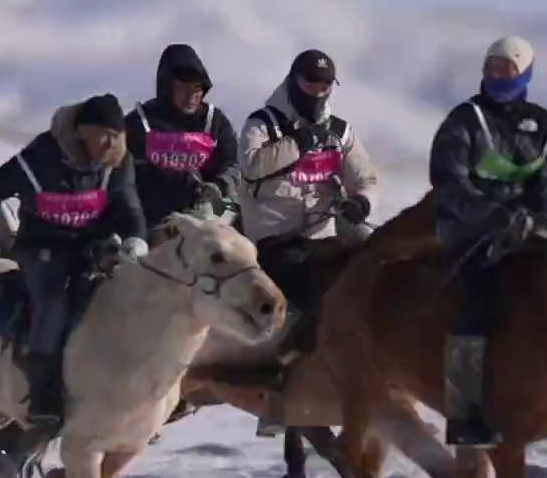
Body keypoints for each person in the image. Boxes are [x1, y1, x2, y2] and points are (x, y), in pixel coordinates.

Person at [0, 95, 147, 432]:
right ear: (82, 132)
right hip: (42, 248)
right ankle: (42, 392)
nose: (111, 144)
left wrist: (136, 238)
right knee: (53, 302)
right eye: (103, 135)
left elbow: (129, 207)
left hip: (93, 248)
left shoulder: (118, 163)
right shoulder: (42, 156)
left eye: (116, 135)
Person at [428, 35, 547, 447]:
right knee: (472, 306)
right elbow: (449, 182)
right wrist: (494, 217)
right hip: (469, 235)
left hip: (527, 238)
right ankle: (464, 411)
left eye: (506, 68)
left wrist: (542, 224)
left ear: (524, 72)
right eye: (491, 67)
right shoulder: (464, 120)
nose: (497, 74)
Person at [237, 48, 379, 435]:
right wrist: (300, 142)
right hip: (276, 241)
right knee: (312, 301)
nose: (317, 91)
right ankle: (280, 394)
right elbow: (250, 166)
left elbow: (364, 177)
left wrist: (360, 203)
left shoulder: (341, 132)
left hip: (326, 235)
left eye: (325, 84)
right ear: (293, 81)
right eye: (309, 82)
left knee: (376, 271)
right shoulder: (262, 124)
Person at [125, 44, 241, 225]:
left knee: (237, 227)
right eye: (183, 88)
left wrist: (219, 185)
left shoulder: (214, 121)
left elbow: (233, 163)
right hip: (157, 212)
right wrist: (184, 182)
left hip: (209, 204)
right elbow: (132, 171)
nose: (191, 96)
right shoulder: (140, 122)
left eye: (197, 88)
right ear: (167, 86)